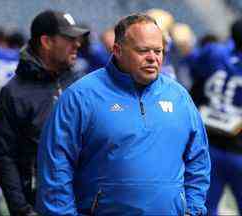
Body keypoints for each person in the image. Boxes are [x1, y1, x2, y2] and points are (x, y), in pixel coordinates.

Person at [36, 12, 211, 215]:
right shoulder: (80, 97)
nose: (153, 58)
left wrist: (192, 209)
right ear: (117, 50)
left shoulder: (179, 97)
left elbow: (198, 159)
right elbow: (56, 167)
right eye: (143, 50)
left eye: (158, 51)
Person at [0, 9, 89, 216]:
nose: (77, 44)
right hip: (39, 205)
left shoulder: (81, 84)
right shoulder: (14, 93)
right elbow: (4, 157)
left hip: (84, 202)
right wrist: (21, 210)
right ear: (46, 41)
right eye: (69, 38)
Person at [189, 17, 242, 215]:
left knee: (204, 206)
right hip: (238, 149)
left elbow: (194, 69)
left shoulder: (213, 52)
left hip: (207, 143)